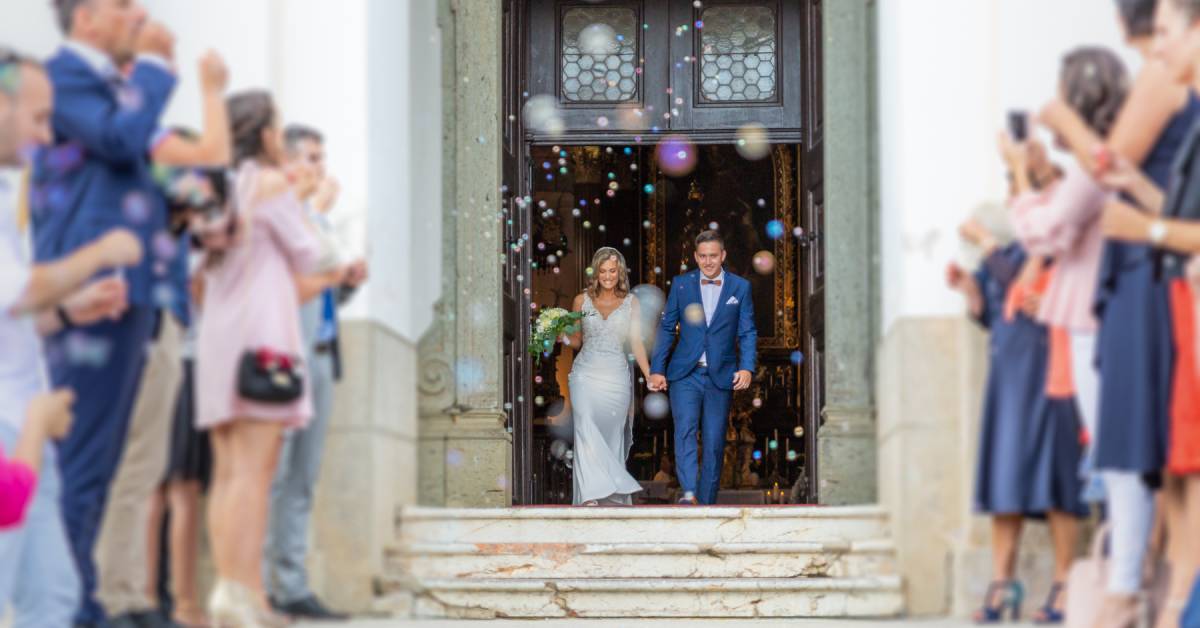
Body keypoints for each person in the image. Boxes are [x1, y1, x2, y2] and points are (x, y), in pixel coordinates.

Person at [1038, 2, 1200, 625]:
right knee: (1164, 453)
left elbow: (1108, 171)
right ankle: (1171, 595)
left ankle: (1141, 592)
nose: (1158, 48)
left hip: (1148, 274)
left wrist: (1063, 125)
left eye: (1168, 32)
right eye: (1155, 33)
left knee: (1148, 448)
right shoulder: (1167, 78)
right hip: (1144, 267)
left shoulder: (1162, 81)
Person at [30, 2, 178, 624]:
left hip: (130, 290)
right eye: (123, 3)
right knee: (83, 462)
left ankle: (86, 601)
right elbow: (120, 140)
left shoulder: (108, 87)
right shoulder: (63, 76)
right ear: (86, 15)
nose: (140, 12)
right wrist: (154, 67)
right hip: (89, 287)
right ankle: (71, 609)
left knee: (107, 461)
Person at [196, 90, 355, 626]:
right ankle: (250, 597)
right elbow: (316, 256)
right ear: (265, 134)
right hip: (265, 344)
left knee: (226, 476)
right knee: (255, 476)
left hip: (220, 341)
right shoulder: (269, 185)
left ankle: (231, 591)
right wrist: (321, 212)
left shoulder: (220, 187)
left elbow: (198, 272)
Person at [0, 48, 142, 627]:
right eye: (37, 118)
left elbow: (16, 310)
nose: (45, 134)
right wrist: (101, 254)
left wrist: (67, 312)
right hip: (15, 430)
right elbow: (24, 290)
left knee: (55, 597)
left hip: (26, 420)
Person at [94, 51, 231, 628]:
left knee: (157, 474)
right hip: (133, 322)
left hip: (172, 333)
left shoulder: (174, 222)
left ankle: (137, 596)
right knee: (142, 477)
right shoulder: (121, 167)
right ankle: (129, 594)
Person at [1100, 0, 1200, 620]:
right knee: (1181, 471)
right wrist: (1140, 194)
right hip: (1180, 300)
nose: (1154, 49)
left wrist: (1148, 228)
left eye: (1165, 34)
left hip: (1175, 294)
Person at [951, 210, 1087, 622]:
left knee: (1057, 480)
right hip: (1008, 380)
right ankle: (1003, 584)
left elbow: (1021, 283)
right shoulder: (1005, 254)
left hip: (1050, 375)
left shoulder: (1058, 249)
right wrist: (972, 291)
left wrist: (986, 242)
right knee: (1003, 481)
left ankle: (1063, 584)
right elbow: (997, 313)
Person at [263, 124, 364, 620]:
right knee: (272, 477)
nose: (321, 170)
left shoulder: (315, 221)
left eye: (323, 158)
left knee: (303, 478)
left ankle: (291, 584)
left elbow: (320, 289)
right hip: (280, 362)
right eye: (311, 158)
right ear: (285, 163)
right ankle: (258, 585)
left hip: (322, 353)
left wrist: (344, 284)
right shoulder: (278, 215)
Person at [649, 230, 757, 505]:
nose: (708, 261)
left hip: (721, 376)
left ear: (723, 256)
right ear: (696, 257)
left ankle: (706, 504)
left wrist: (746, 367)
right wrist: (657, 369)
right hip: (685, 373)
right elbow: (665, 327)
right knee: (684, 430)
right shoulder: (682, 285)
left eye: (713, 255)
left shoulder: (740, 287)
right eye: (703, 256)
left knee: (713, 442)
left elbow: (747, 331)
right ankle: (689, 497)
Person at [559, 247, 650, 506]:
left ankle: (611, 495)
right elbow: (576, 340)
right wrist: (562, 336)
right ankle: (590, 494)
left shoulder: (632, 302)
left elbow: (636, 342)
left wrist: (649, 374)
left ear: (619, 272)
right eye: (603, 271)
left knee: (610, 435)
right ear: (595, 273)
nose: (608, 276)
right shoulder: (581, 301)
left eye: (613, 271)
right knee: (585, 425)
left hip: (616, 378)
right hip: (585, 374)